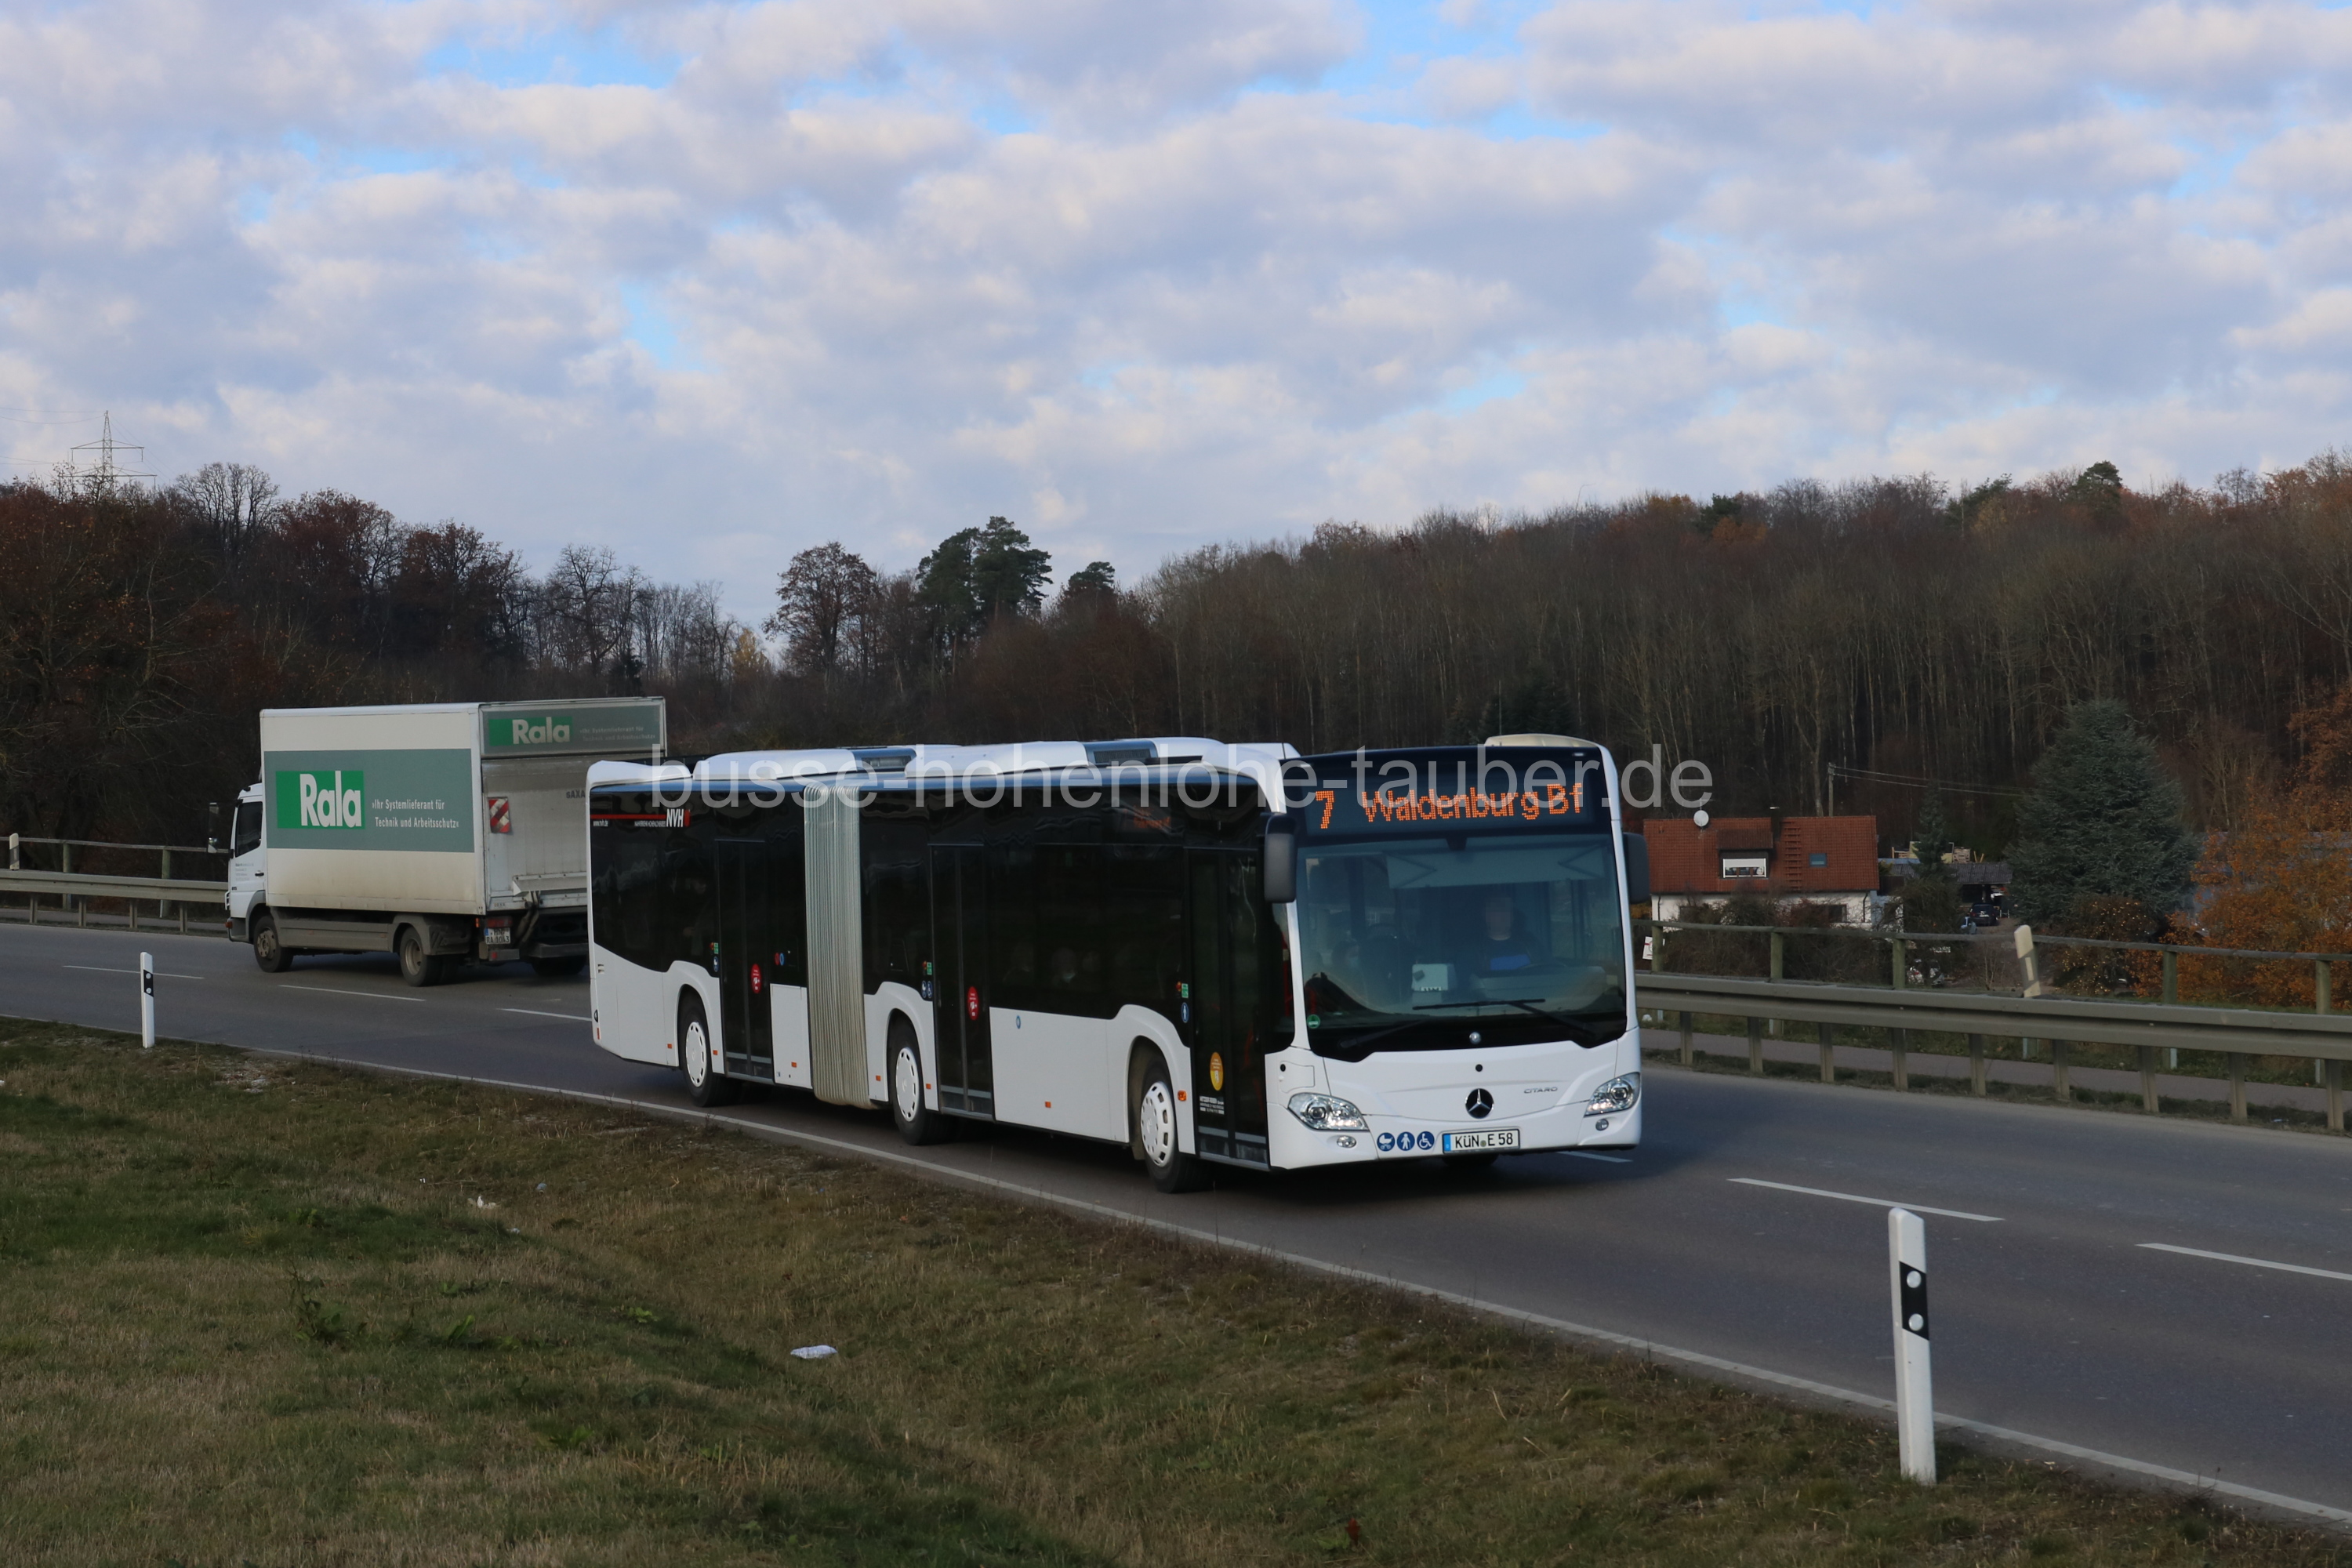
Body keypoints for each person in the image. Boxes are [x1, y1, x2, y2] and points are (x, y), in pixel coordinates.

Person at [1462, 890, 1537, 978]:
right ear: (1486, 915)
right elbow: (1466, 982)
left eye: (1508, 909)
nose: (1504, 914)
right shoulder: (1473, 950)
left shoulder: (1529, 943)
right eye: (1498, 910)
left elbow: (1547, 969)